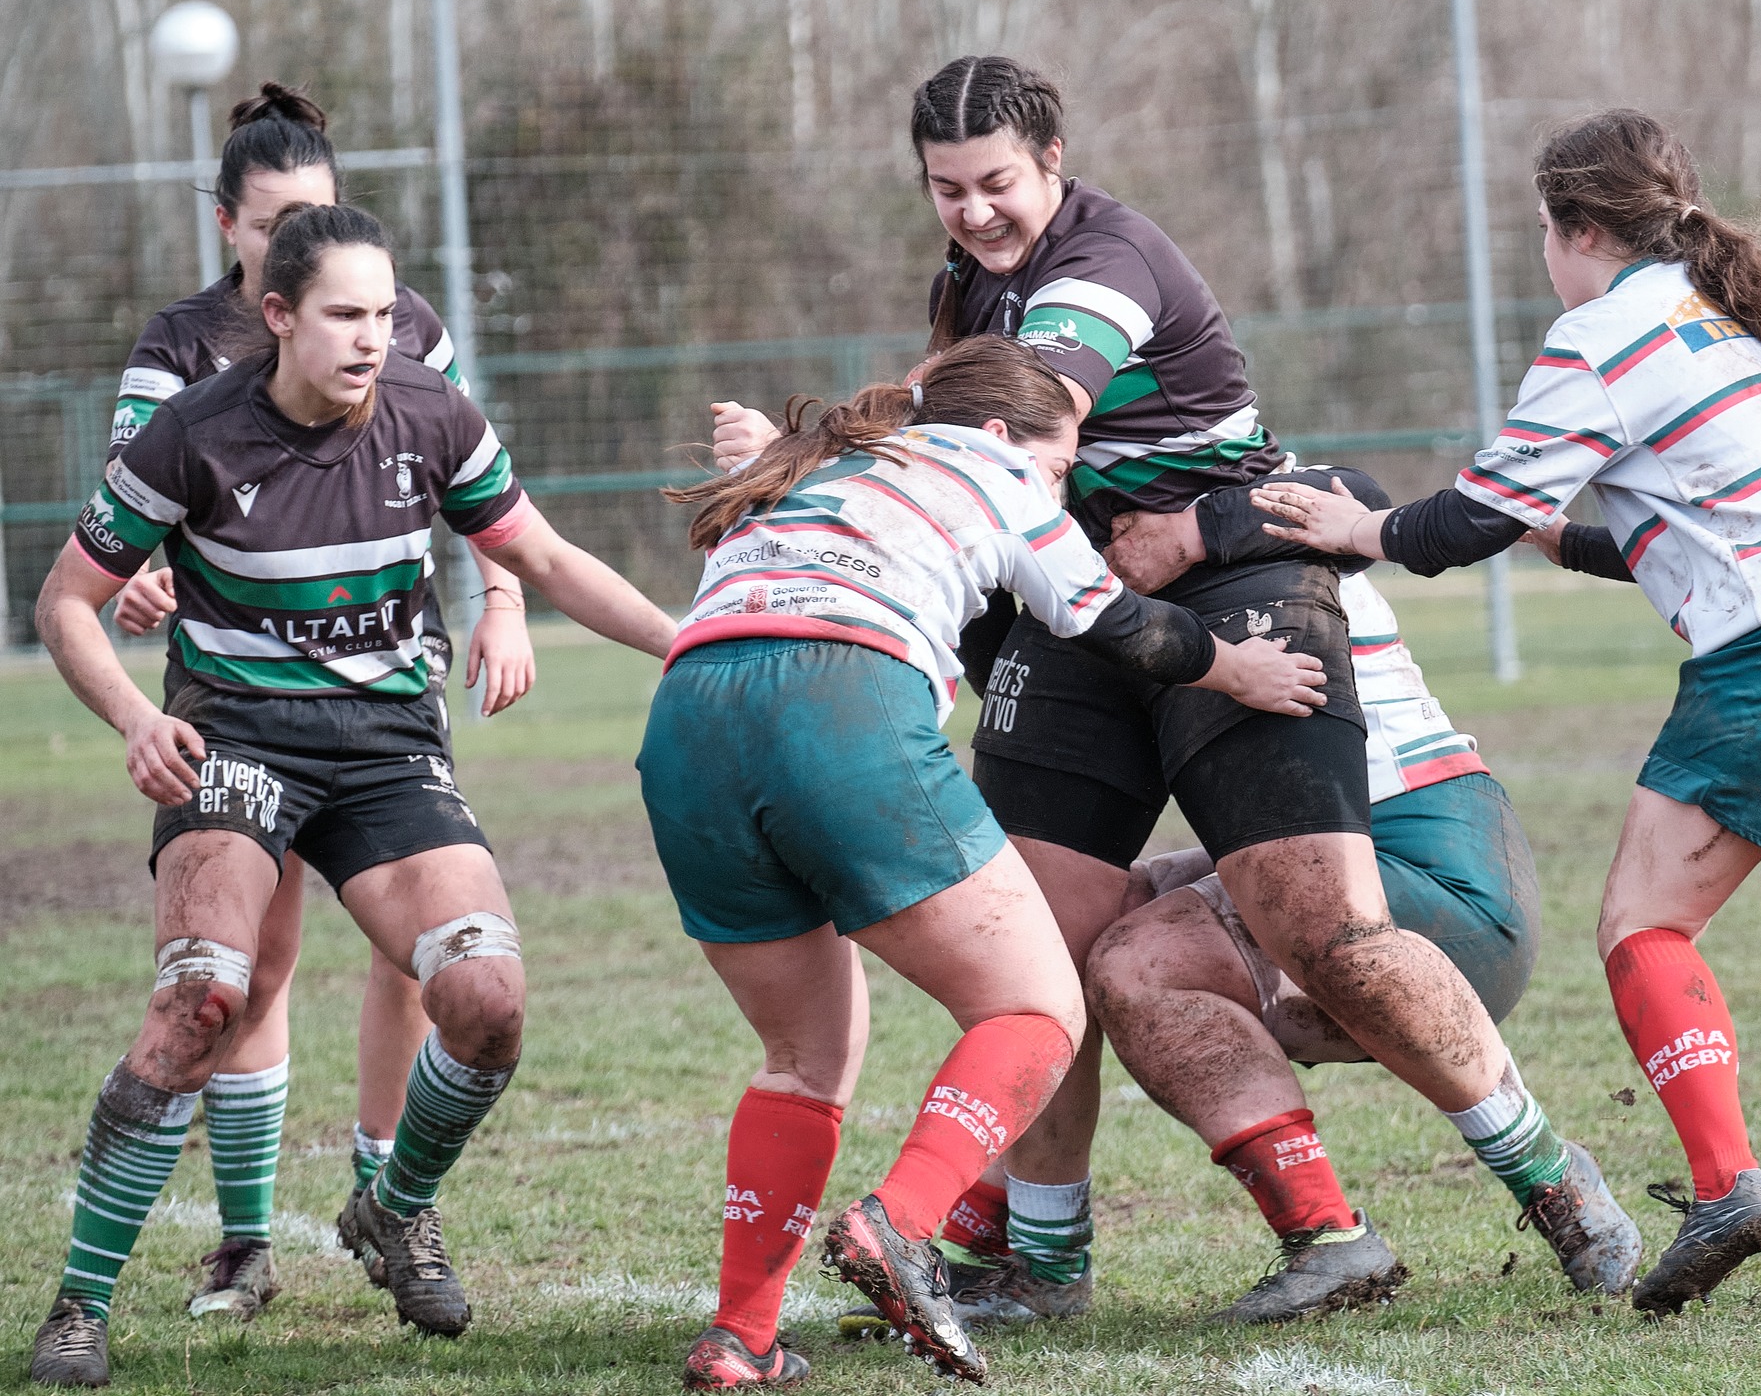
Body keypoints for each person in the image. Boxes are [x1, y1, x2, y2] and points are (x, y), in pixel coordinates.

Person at [721, 55, 1636, 1324]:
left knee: (1316, 921)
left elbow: (1032, 403)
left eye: (995, 182)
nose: (974, 210)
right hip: (1085, 600)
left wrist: (809, 443)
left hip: (1232, 587)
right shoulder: (967, 281)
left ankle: (1550, 1177)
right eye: (945, 189)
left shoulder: (1102, 264)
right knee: (1034, 947)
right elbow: (987, 446)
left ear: (1052, 158)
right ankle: (1047, 1260)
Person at [1249, 108, 1761, 1316]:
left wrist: (1358, 527)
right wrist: (1568, 541)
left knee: (1644, 923)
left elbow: (1463, 521)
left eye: (1541, 231)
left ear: (1572, 227)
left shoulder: (1602, 330)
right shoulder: (1744, 311)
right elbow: (1715, 523)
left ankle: (1725, 1186)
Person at [29, 203, 677, 1387]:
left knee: (486, 996)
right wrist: (135, 716)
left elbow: (543, 556)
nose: (373, 336)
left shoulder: (432, 414)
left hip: (385, 747)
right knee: (200, 1000)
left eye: (383, 312)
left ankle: (395, 1205)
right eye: (344, 314)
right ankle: (80, 1300)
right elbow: (65, 600)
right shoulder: (193, 432)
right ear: (279, 316)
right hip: (235, 739)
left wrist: (684, 644)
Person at [644, 335, 1327, 1388]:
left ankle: (739, 1338)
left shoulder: (818, 466)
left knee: (802, 1058)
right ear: (1005, 432)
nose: (1061, 484)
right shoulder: (993, 465)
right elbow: (1114, 623)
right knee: (1038, 1007)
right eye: (1062, 463)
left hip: (685, 721)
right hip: (837, 701)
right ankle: (901, 1224)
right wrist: (1235, 667)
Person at [104, 81, 537, 1320]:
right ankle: (245, 1239)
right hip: (241, 697)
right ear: (229, 228)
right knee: (258, 958)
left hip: (384, 690)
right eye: (274, 221)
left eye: (320, 212)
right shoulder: (181, 344)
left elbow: (474, 475)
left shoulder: (401, 323)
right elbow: (126, 510)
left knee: (421, 951)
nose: (301, 236)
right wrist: (137, 578)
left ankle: (392, 1199)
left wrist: (504, 599)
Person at [1066, 568, 1638, 1321]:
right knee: (1102, 918)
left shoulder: (1244, 531)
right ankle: (1029, 1245)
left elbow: (1355, 508)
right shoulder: (1127, 555)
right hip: (1312, 845)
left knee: (1141, 964)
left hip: (1429, 858)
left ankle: (1536, 1178)